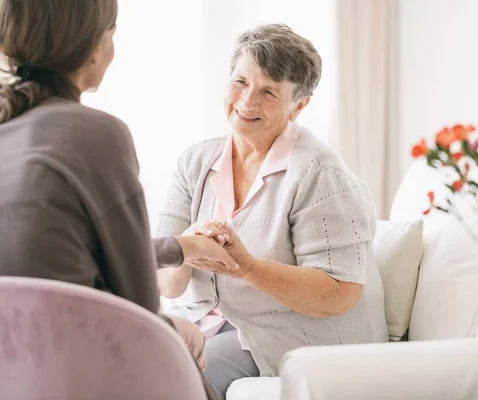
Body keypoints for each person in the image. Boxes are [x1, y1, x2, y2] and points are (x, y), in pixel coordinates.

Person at [0, 1, 229, 395]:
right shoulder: (99, 135)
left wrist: (179, 247)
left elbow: (63, 253)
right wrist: (175, 327)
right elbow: (138, 304)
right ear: (93, 49)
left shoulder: (11, 128)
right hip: (74, 366)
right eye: (112, 31)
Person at [157, 23, 388, 399]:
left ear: (299, 105)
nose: (247, 102)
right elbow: (170, 284)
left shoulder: (320, 173)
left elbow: (339, 294)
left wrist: (245, 267)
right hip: (208, 321)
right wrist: (189, 246)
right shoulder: (194, 162)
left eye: (268, 92)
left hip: (289, 334)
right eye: (241, 82)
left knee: (176, 379)